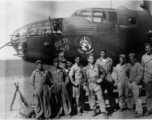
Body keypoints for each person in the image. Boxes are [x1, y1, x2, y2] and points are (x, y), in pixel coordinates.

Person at [85, 53, 108, 119]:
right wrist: (84, 84)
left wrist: (101, 79)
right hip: (90, 84)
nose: (92, 59)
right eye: (91, 58)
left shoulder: (98, 66)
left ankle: (104, 112)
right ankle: (94, 110)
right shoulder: (86, 67)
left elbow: (103, 72)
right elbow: (85, 77)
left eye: (93, 58)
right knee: (92, 99)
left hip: (97, 84)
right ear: (88, 59)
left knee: (100, 98)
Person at [128, 53, 143, 117]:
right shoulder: (131, 66)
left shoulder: (138, 65)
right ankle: (137, 110)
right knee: (134, 98)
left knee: (137, 98)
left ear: (135, 58)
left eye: (132, 59)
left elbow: (140, 74)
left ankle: (140, 112)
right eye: (130, 59)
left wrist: (136, 82)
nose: (131, 60)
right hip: (131, 83)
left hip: (136, 83)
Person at [141, 43, 152, 116]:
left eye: (149, 48)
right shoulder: (143, 57)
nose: (147, 49)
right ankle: (149, 110)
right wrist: (143, 79)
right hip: (147, 78)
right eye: (146, 48)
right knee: (148, 95)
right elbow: (142, 68)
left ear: (151, 48)